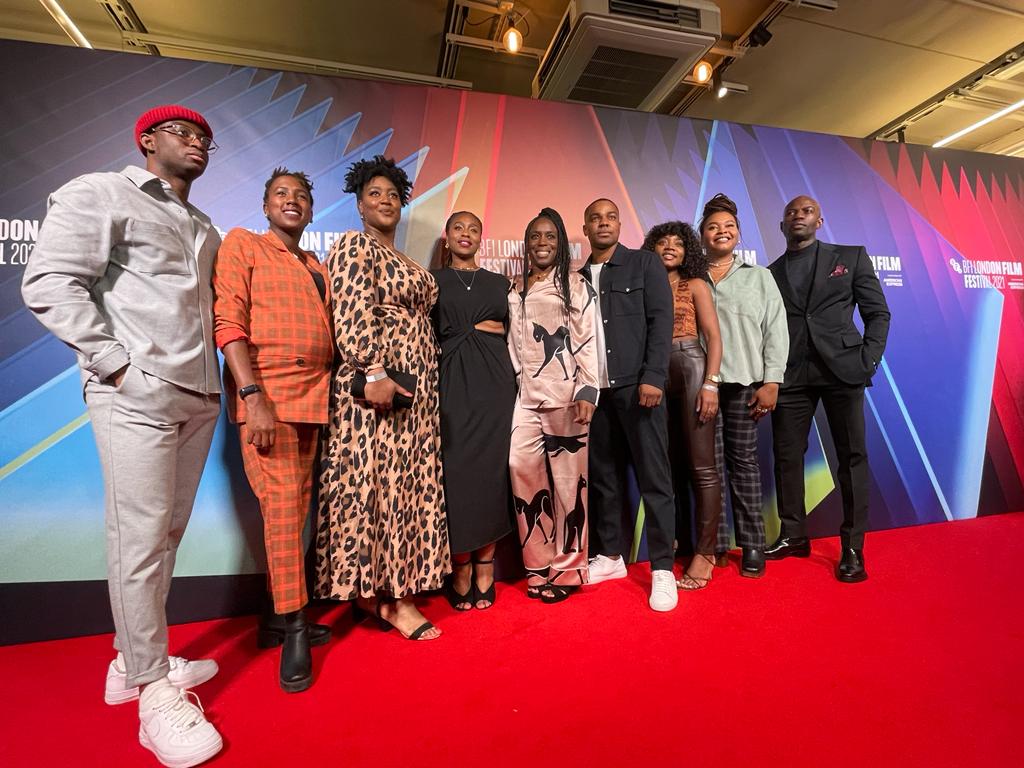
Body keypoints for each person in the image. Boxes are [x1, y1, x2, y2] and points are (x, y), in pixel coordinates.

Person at [21, 105, 223, 767]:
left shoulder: (203, 225)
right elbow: (49, 280)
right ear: (147, 140)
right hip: (136, 393)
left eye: (204, 138)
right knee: (136, 536)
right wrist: (113, 364)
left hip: (198, 398)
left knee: (162, 534)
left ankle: (130, 660)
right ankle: (152, 694)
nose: (196, 142)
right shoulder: (100, 192)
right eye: (181, 132)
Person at [315, 155, 449, 640]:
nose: (386, 200)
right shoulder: (355, 246)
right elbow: (350, 311)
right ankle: (394, 600)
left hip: (416, 392)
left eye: (393, 194)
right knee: (382, 487)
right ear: (358, 204)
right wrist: (374, 371)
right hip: (380, 387)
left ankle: (376, 594)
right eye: (375, 194)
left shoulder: (405, 260)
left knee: (406, 487)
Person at [212, 168, 333, 692]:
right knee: (284, 515)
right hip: (270, 400)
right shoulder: (243, 245)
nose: (293, 201)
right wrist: (252, 396)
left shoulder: (315, 265)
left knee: (296, 514)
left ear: (310, 211)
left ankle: (272, 618)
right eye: (282, 194)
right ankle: (296, 631)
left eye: (302, 196)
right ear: (265, 206)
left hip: (317, 401)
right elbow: (229, 322)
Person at [766, 195, 891, 582]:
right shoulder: (769, 273)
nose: (798, 216)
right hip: (791, 375)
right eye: (791, 212)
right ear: (782, 225)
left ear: (820, 221)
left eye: (806, 211)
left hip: (842, 371)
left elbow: (877, 313)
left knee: (851, 457)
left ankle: (853, 547)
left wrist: (867, 359)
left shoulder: (850, 257)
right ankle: (793, 535)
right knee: (787, 457)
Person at [580, 199, 678, 612]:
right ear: (585, 229)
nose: (603, 223)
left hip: (638, 388)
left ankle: (662, 569)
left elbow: (661, 321)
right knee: (603, 477)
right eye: (595, 218)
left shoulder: (644, 265)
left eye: (610, 217)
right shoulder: (577, 277)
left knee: (654, 478)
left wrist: (653, 376)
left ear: (620, 223)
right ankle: (612, 557)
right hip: (595, 395)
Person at [507, 207, 599, 603]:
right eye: (535, 237)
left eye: (549, 237)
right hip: (526, 396)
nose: (541, 243)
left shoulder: (575, 285)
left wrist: (588, 390)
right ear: (526, 245)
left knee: (568, 486)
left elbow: (587, 337)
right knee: (520, 467)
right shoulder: (515, 288)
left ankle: (569, 569)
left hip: (567, 396)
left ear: (560, 242)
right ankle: (539, 564)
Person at [700, 193, 789, 579]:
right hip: (701, 386)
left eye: (729, 226)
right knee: (708, 467)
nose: (722, 231)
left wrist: (772, 381)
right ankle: (716, 544)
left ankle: (752, 544)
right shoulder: (690, 278)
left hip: (743, 386)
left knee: (744, 464)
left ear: (738, 234)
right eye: (713, 226)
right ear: (701, 234)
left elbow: (776, 330)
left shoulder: (759, 277)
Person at [432, 211, 516, 610]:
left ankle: (486, 562)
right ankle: (459, 562)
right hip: (450, 387)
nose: (466, 234)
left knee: (492, 475)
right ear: (446, 237)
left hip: (496, 389)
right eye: (458, 228)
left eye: (473, 229)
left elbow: (517, 338)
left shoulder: (500, 284)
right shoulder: (431, 282)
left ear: (482, 237)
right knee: (456, 476)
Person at [643, 221, 723, 590]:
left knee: (702, 466)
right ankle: (670, 544)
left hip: (691, 365)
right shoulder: (644, 285)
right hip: (655, 372)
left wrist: (710, 383)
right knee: (666, 465)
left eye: (678, 242)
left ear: (688, 250)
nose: (670, 247)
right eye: (663, 241)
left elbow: (713, 336)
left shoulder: (696, 284)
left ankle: (705, 553)